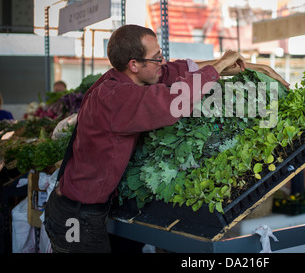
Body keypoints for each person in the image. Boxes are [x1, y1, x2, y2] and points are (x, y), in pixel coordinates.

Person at [43, 24, 288, 253]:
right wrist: (218, 65)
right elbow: (173, 101)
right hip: (77, 216)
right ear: (134, 65)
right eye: (156, 57)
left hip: (83, 207)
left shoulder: (118, 76)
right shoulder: (116, 97)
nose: (162, 61)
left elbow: (170, 72)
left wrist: (238, 66)